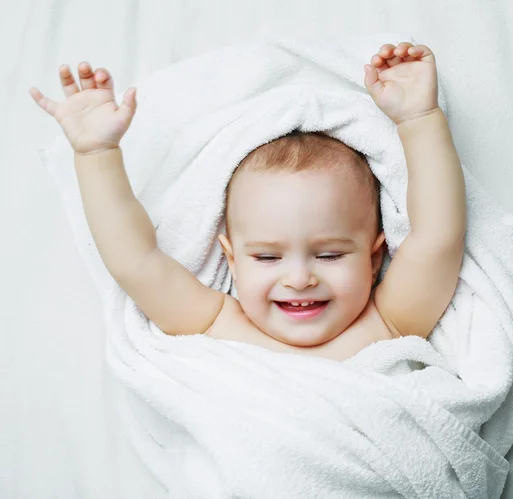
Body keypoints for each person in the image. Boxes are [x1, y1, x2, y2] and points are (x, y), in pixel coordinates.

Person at [30, 41, 466, 362]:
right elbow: (135, 262)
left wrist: (420, 119)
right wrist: (96, 154)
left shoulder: (388, 325)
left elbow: (437, 238)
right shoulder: (219, 326)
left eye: (330, 254)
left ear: (374, 259)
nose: (298, 279)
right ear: (232, 259)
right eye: (267, 257)